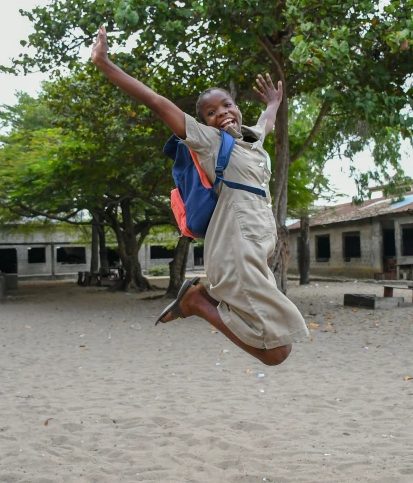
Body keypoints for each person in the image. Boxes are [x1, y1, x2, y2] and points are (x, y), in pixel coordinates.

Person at [91, 27, 309, 366]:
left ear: (237, 107)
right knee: (277, 353)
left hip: (254, 255)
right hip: (235, 254)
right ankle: (197, 304)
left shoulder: (251, 142)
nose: (222, 113)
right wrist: (106, 65)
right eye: (211, 113)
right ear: (205, 122)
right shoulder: (209, 142)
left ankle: (198, 301)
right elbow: (157, 102)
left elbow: (265, 123)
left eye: (227, 105)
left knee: (282, 345)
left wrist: (273, 104)